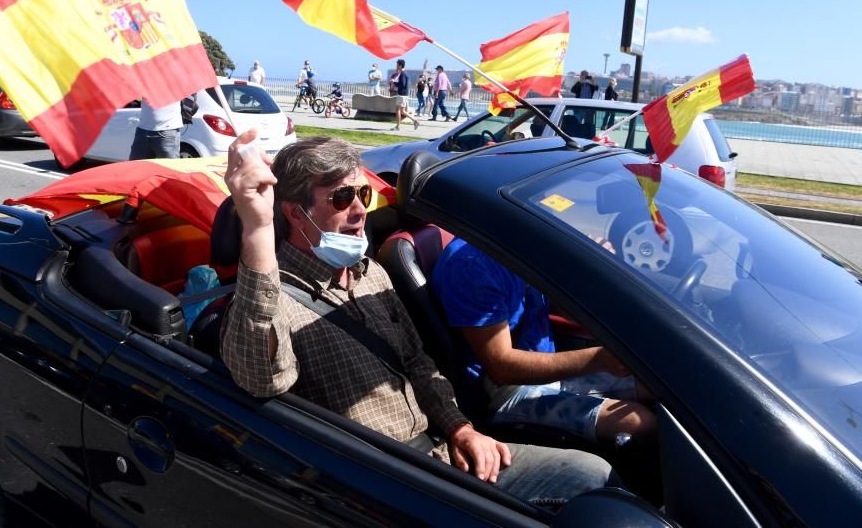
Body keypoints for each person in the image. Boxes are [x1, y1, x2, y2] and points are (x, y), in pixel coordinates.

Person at [221, 134, 615, 506]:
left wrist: (461, 429)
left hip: (438, 448)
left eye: (362, 193)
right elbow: (261, 378)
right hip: (382, 482)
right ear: (295, 213)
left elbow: (417, 362)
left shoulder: (369, 272)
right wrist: (256, 228)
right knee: (588, 485)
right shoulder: (272, 299)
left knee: (597, 478)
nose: (360, 209)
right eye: (342, 198)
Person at [433, 238, 656, 446]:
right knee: (640, 423)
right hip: (505, 390)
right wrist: (599, 359)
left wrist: (590, 272)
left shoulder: (526, 240)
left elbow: (565, 308)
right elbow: (501, 368)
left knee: (657, 383)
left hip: (547, 364)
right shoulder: (472, 266)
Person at [388, 59, 419, 130]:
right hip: (404, 95)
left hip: (402, 95)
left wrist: (394, 82)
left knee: (398, 110)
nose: (396, 66)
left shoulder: (403, 74)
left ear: (400, 66)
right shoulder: (404, 74)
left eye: (397, 65)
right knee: (402, 111)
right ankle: (415, 121)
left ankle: (398, 126)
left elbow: (403, 84)